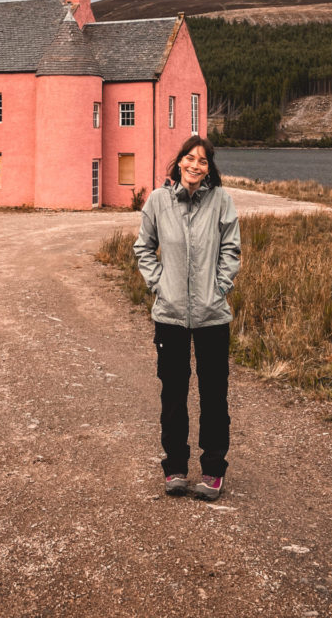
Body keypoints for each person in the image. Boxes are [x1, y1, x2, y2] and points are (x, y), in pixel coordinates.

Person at [133, 135, 241, 500]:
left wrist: (219, 287)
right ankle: (176, 467)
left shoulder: (221, 201)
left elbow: (231, 249)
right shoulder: (158, 201)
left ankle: (213, 470)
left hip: (213, 316)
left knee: (214, 396)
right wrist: (159, 285)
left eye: (203, 161)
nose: (195, 165)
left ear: (209, 168)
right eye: (190, 158)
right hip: (171, 315)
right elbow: (143, 247)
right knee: (173, 395)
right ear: (179, 162)